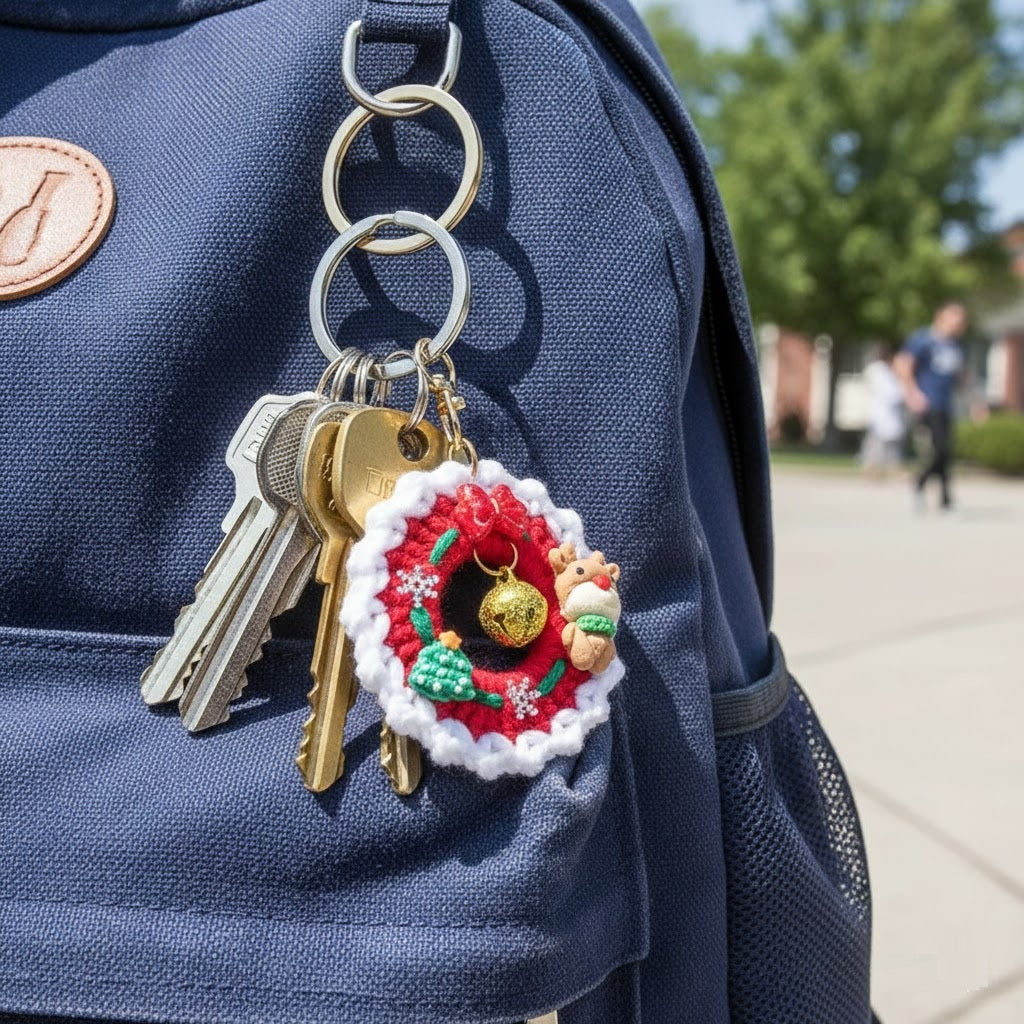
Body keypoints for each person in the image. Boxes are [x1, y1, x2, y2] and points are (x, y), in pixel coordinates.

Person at [895, 301, 967, 510]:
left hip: (946, 404)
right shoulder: (923, 339)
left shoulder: (955, 345)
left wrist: (974, 401)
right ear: (941, 316)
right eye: (956, 318)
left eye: (962, 320)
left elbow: (961, 376)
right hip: (928, 403)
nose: (959, 323)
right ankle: (919, 483)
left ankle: (945, 500)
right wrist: (913, 393)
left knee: (946, 453)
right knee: (940, 450)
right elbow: (902, 364)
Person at [860, 344, 905, 478]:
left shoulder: (886, 371)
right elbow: (892, 393)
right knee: (876, 444)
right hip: (881, 414)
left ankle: (892, 468)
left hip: (889, 415)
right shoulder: (878, 371)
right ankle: (871, 470)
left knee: (891, 445)